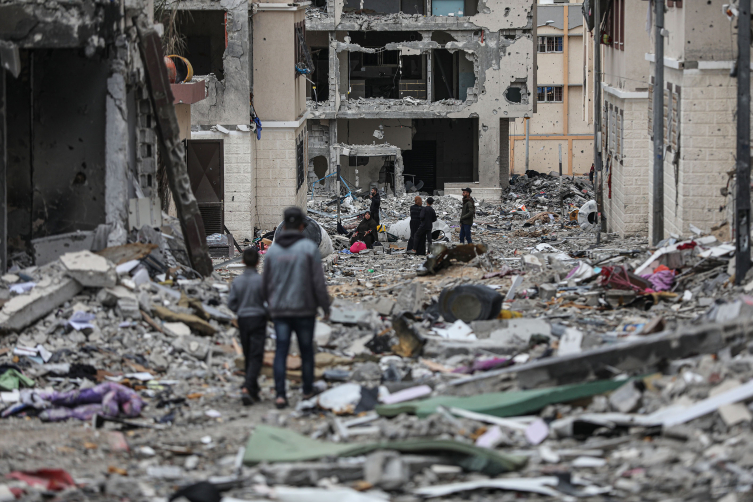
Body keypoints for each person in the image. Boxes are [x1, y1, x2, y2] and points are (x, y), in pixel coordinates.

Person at [262, 207, 331, 409]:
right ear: (302, 226)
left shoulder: (272, 251)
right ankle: (307, 389)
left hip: (280, 311)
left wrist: (267, 308)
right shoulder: (309, 250)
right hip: (304, 310)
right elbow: (318, 282)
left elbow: (266, 283)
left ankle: (281, 395)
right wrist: (325, 307)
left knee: (281, 351)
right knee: (306, 350)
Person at [227, 247, 266, 406]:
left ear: (242, 261)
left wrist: (240, 310)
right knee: (256, 355)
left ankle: (253, 390)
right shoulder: (261, 281)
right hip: (258, 319)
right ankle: (247, 387)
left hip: (243, 320)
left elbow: (231, 303)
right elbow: (268, 301)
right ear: (258, 262)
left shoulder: (237, 281)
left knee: (248, 353)